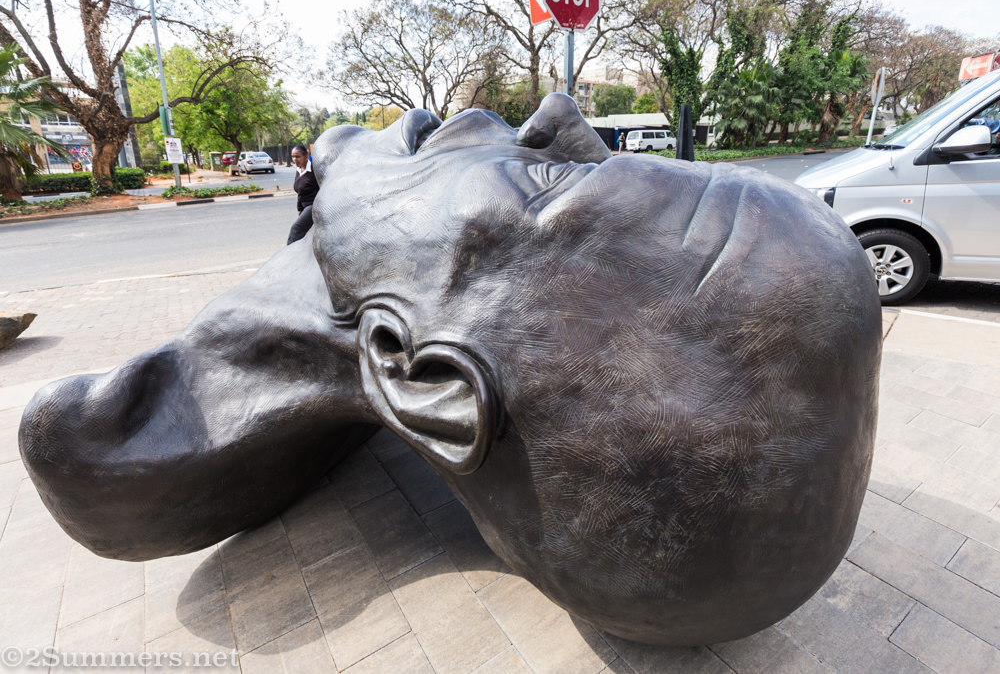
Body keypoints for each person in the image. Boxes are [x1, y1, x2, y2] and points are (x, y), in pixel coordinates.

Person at [20, 95, 880, 646]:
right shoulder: (374, 245)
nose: (558, 113)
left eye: (548, 180)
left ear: (412, 377)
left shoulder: (108, 431)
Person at [287, 144, 318, 244]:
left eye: (298, 156)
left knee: (296, 229)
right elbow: (300, 193)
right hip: (305, 207)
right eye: (293, 156)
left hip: (314, 205)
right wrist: (300, 209)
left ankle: (289, 255)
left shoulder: (314, 170)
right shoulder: (299, 170)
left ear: (306, 156)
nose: (294, 159)